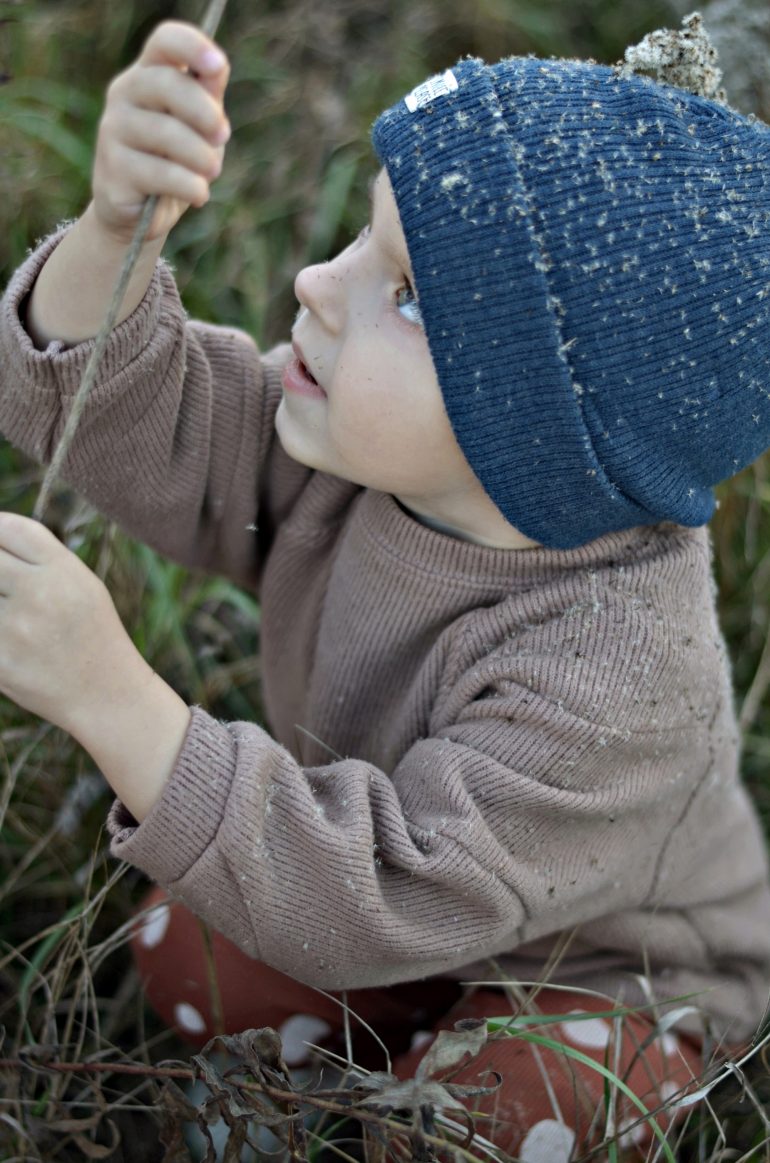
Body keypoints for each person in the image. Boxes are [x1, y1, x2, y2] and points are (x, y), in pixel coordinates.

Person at [1, 17, 769, 1160]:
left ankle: (414, 1097)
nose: (315, 282)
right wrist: (115, 233)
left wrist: (116, 696)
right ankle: (323, 1088)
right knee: (179, 940)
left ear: (538, 438)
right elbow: (142, 422)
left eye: (403, 295)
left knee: (489, 1116)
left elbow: (392, 888)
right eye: (362, 245)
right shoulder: (367, 455)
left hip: (597, 968)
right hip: (398, 911)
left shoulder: (615, 671)